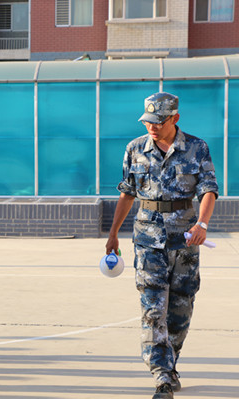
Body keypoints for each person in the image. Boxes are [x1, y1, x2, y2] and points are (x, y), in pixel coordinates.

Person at [105, 92, 218, 399]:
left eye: (159, 121)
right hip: (147, 240)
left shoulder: (196, 147)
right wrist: (113, 233)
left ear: (175, 118)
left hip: (185, 240)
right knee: (153, 309)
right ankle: (162, 376)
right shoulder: (135, 149)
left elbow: (209, 190)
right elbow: (127, 193)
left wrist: (202, 225)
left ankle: (171, 363)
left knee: (181, 310)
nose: (152, 127)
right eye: (148, 121)